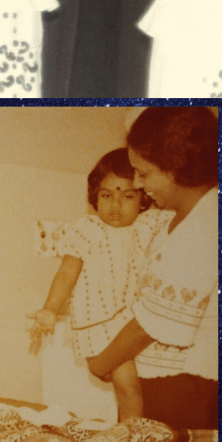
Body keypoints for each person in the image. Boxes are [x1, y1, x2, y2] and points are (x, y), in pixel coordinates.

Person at [83, 107, 218, 431]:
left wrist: (101, 361)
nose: (140, 185)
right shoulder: (174, 219)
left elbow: (151, 324)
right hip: (158, 380)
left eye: (144, 173)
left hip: (186, 385)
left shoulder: (203, 226)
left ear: (177, 169)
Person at [27, 148, 168, 422]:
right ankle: (132, 436)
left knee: (144, 388)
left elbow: (179, 206)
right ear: (95, 197)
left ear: (142, 199)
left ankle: (129, 432)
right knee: (129, 390)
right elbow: (67, 272)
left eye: (127, 196)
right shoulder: (86, 229)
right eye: (107, 196)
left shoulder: (148, 224)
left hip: (137, 321)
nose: (116, 205)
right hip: (102, 324)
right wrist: (49, 310)